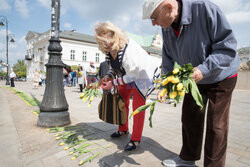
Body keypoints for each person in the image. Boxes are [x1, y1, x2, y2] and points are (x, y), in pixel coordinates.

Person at [142, 0, 240, 166]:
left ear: (168, 8)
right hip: (193, 78)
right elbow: (168, 58)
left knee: (217, 126)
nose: (153, 24)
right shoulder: (166, 26)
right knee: (189, 118)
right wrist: (165, 85)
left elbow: (227, 48)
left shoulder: (205, 9)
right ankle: (187, 159)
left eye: (154, 18)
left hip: (221, 76)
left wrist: (203, 69)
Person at [94, 21, 160, 151]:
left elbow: (133, 75)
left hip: (142, 76)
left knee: (138, 107)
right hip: (127, 76)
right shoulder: (108, 52)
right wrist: (108, 76)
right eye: (103, 40)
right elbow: (114, 68)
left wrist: (113, 83)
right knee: (121, 103)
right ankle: (123, 130)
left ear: (115, 35)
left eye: (109, 38)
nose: (107, 43)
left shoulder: (127, 49)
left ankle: (135, 139)